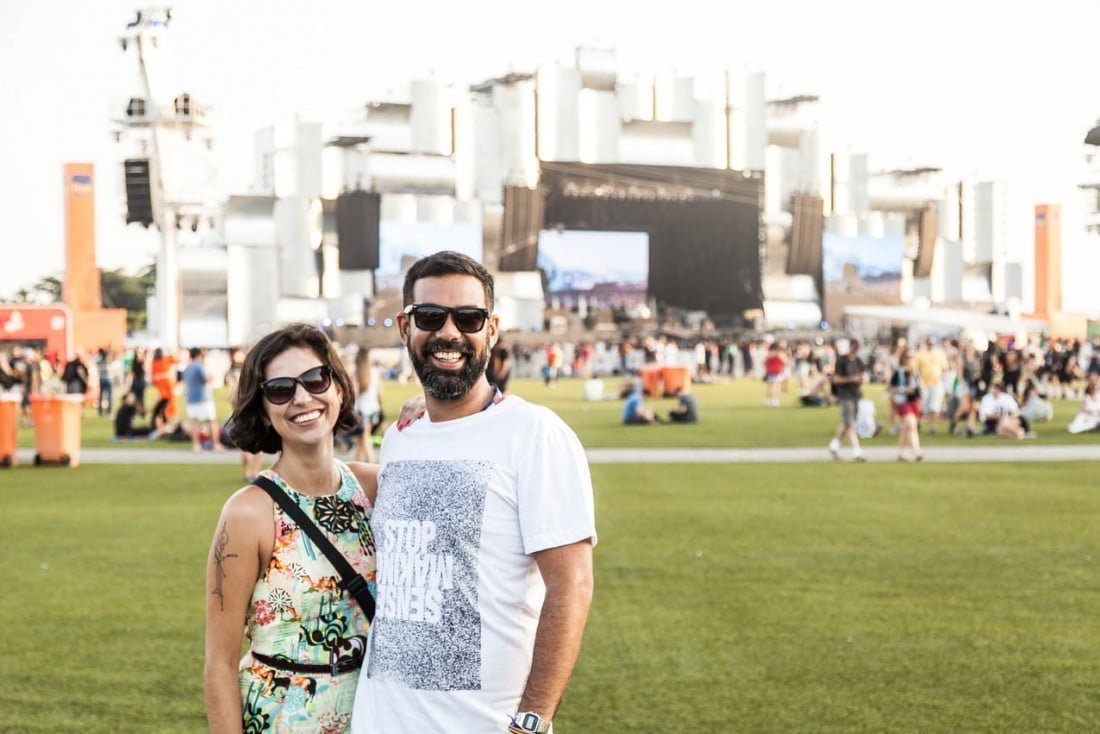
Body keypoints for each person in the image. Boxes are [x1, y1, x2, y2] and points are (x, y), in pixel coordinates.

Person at [351, 251, 596, 734]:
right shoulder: (402, 434)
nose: (448, 333)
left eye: (468, 317)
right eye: (430, 317)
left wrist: (533, 720)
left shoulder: (534, 433)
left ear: (492, 329)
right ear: (404, 327)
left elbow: (571, 586)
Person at [204, 323, 379, 733]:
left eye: (315, 379)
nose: (303, 398)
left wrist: (418, 416)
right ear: (263, 408)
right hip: (283, 719)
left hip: (373, 714)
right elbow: (220, 662)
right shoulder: (249, 513)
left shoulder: (375, 487)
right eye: (280, 389)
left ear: (337, 387)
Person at [827, 339, 867, 462]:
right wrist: (852, 379)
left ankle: (833, 446)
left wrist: (861, 379)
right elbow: (836, 379)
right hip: (845, 395)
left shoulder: (858, 361)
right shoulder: (842, 361)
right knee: (850, 424)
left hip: (855, 394)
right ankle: (857, 452)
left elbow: (863, 376)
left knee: (846, 423)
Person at [183, 347, 222, 453]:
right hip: (203, 397)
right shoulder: (199, 366)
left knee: (194, 422)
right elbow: (205, 379)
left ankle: (196, 445)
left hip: (191, 398)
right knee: (210, 421)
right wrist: (213, 376)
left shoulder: (187, 367)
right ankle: (215, 444)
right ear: (198, 355)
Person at [889, 348, 924, 462]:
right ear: (903, 358)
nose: (910, 359)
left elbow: (920, 386)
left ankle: (901, 454)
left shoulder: (915, 372)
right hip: (903, 401)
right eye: (908, 357)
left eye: (912, 357)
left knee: (905, 428)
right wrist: (904, 389)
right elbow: (891, 389)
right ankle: (917, 452)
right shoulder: (899, 372)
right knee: (912, 424)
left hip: (914, 401)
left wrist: (920, 390)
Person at [351, 346, 383, 463]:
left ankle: (373, 466)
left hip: (362, 410)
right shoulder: (375, 372)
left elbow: (353, 393)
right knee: (361, 441)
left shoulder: (357, 373)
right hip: (374, 409)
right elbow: (380, 392)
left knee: (364, 440)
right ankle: (355, 468)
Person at [914, 337, 947, 434]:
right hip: (924, 384)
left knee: (935, 406)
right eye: (929, 343)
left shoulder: (939, 353)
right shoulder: (920, 354)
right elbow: (916, 369)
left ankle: (933, 427)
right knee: (922, 406)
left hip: (936, 383)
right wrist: (919, 381)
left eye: (932, 343)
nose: (930, 345)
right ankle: (918, 423)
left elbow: (945, 367)